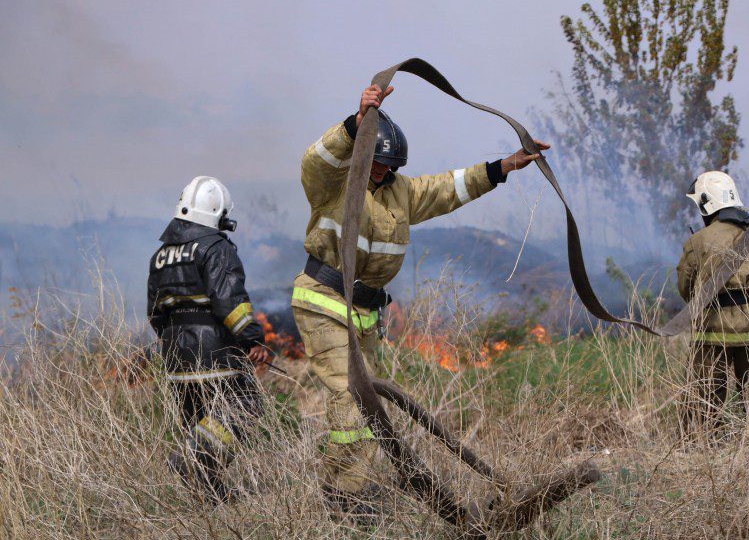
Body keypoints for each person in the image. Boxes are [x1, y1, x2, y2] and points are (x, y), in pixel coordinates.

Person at [292, 84, 548, 518]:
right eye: (375, 162)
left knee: (363, 405)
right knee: (353, 404)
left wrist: (505, 165)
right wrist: (356, 123)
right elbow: (315, 158)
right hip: (323, 301)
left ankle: (345, 490)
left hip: (364, 314)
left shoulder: (401, 192)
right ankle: (346, 500)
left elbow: (449, 188)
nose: (380, 172)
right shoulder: (333, 182)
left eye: (388, 166)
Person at [147, 176, 271, 503]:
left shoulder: (160, 257)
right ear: (217, 214)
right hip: (217, 356)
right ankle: (187, 460)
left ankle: (212, 499)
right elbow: (230, 302)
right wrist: (252, 340)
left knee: (200, 424)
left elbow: (155, 315)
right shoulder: (217, 248)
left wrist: (174, 345)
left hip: (177, 362)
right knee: (245, 406)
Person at [677, 171, 749, 433]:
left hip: (715, 330)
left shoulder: (698, 241)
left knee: (704, 397)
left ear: (705, 203)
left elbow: (686, 289)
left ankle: (701, 444)